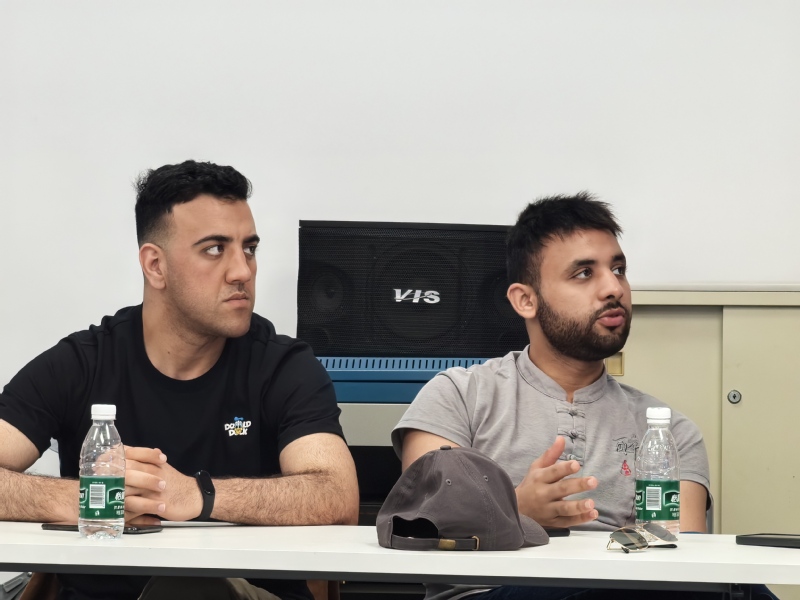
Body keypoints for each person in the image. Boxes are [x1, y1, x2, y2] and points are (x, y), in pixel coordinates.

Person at [0, 160, 359, 600]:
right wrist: (83, 498)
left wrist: (198, 495)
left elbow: (336, 495)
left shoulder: (282, 365)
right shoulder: (83, 361)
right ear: (155, 265)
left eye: (249, 248)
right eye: (215, 249)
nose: (243, 271)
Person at [392, 193, 734, 600]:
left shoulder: (670, 430)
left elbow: (686, 565)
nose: (614, 288)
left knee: (738, 591)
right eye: (584, 273)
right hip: (491, 591)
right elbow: (424, 527)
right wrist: (516, 510)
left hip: (625, 586)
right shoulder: (458, 396)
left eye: (619, 269)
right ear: (526, 300)